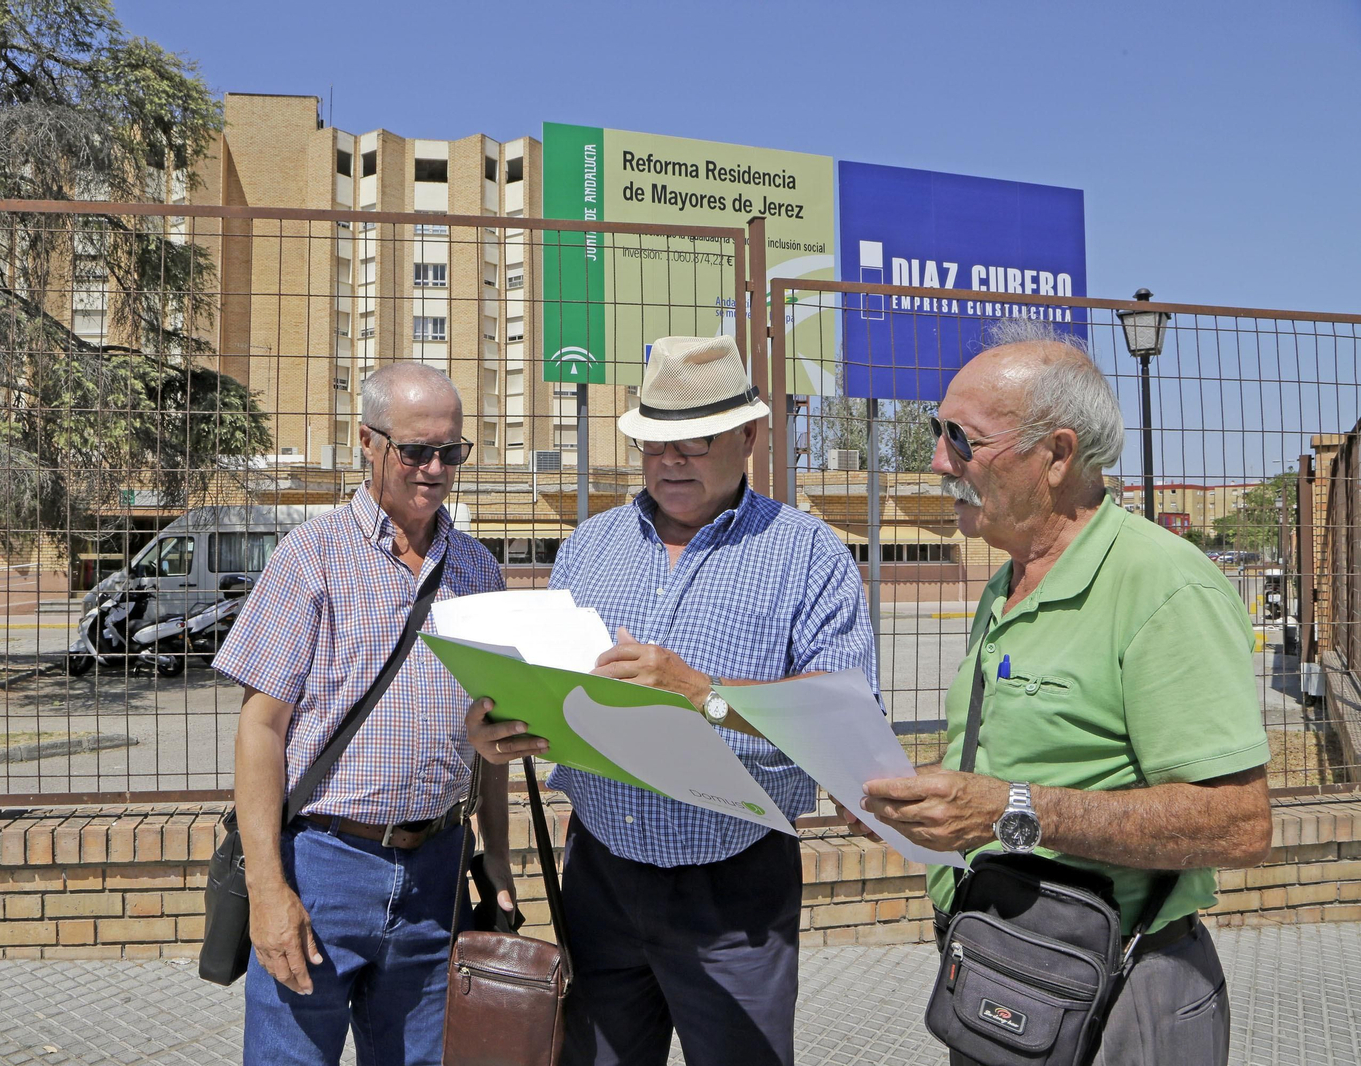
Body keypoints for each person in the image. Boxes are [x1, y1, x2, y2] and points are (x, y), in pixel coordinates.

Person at [851, 320, 1271, 1065]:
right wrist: (918, 807)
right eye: (935, 431)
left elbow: (1238, 823)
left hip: (1122, 995)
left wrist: (1008, 812)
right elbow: (1021, 763)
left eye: (962, 438)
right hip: (1004, 972)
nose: (939, 461)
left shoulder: (1162, 585)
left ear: (1056, 455)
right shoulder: (1008, 579)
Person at [467, 335, 876, 1066]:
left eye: (693, 442)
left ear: (751, 436)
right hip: (599, 878)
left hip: (735, 891)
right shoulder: (590, 546)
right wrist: (507, 728)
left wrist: (701, 693)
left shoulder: (808, 554)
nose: (669, 462)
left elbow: (844, 719)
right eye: (654, 444)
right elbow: (564, 691)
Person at [216, 362, 515, 1066]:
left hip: (437, 873)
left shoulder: (478, 570)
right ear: (368, 442)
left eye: (452, 452)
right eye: (416, 451)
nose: (435, 469)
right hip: (322, 868)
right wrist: (268, 890)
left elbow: (497, 733)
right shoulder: (310, 558)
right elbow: (261, 729)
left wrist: (496, 855)